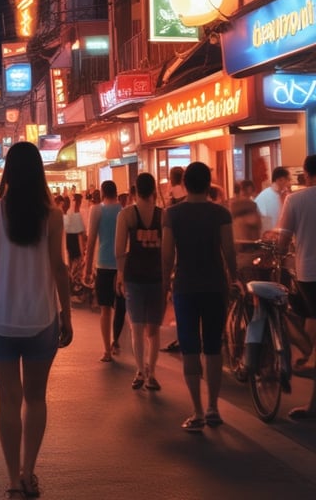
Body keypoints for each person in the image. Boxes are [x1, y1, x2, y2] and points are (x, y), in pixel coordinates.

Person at [0, 142, 72, 500]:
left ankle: (12, 479)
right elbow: (59, 268)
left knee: (9, 400)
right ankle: (28, 472)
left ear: (8, 172)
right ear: (39, 172)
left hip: (0, 320)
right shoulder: (52, 215)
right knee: (35, 399)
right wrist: (66, 315)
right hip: (41, 318)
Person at [161, 161, 239, 432]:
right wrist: (234, 278)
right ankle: (213, 407)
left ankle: (197, 411)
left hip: (185, 287)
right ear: (209, 185)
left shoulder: (172, 214)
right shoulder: (221, 213)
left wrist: (165, 284)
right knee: (214, 347)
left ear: (184, 184)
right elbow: (229, 251)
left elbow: (167, 255)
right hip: (215, 286)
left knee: (190, 348)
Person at [115, 173, 164, 391]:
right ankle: (151, 373)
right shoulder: (163, 215)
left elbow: (119, 250)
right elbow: (169, 250)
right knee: (153, 330)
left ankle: (140, 371)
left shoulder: (126, 215)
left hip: (133, 277)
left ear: (135, 191)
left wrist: (120, 274)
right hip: (157, 277)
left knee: (136, 328)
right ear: (154, 191)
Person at [278, 155, 316, 420]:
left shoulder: (295, 200)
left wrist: (278, 250)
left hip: (308, 274)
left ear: (306, 173)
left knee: (288, 316)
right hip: (308, 276)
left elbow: (282, 242)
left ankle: (309, 358)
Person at [84, 180, 126, 362]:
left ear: (102, 193)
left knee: (105, 309)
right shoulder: (124, 211)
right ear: (116, 193)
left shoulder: (96, 210)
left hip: (103, 265)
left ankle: (107, 350)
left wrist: (87, 269)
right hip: (121, 266)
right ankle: (116, 341)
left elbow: (91, 240)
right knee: (121, 308)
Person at [255, 166, 290, 233]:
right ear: (279, 180)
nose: (288, 182)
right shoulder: (264, 196)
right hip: (269, 235)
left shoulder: (284, 195)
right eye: (287, 179)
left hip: (280, 233)